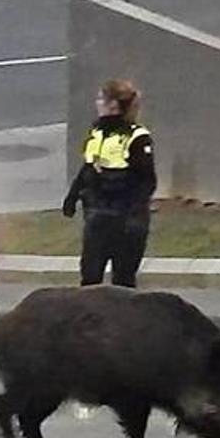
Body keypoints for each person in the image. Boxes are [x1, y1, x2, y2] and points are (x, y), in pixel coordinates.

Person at [63, 79, 156, 288]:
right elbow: (88, 166)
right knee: (90, 276)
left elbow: (147, 181)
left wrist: (130, 210)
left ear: (113, 105)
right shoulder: (97, 133)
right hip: (99, 216)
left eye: (100, 99)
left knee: (123, 281)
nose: (97, 103)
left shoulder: (137, 137)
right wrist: (73, 195)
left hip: (126, 221)